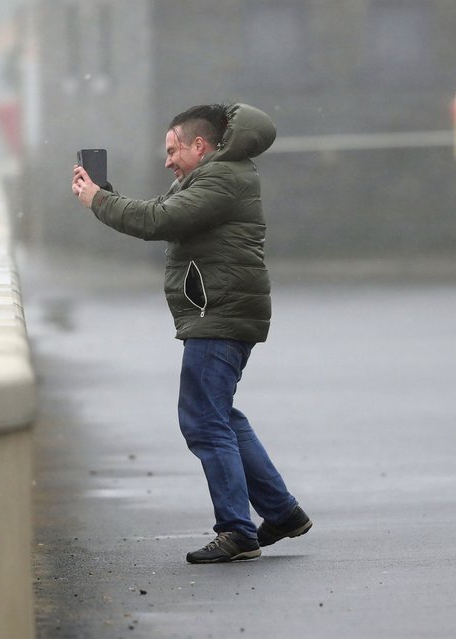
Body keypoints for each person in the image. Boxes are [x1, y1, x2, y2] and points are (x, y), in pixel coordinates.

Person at [71, 103, 311, 564]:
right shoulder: (211, 177)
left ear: (199, 145)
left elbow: (157, 222)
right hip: (220, 310)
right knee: (220, 415)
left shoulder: (222, 178)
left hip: (218, 314)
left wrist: (97, 200)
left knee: (203, 419)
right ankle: (282, 512)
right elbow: (160, 212)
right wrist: (106, 194)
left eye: (172, 150)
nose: (167, 161)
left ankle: (238, 532)